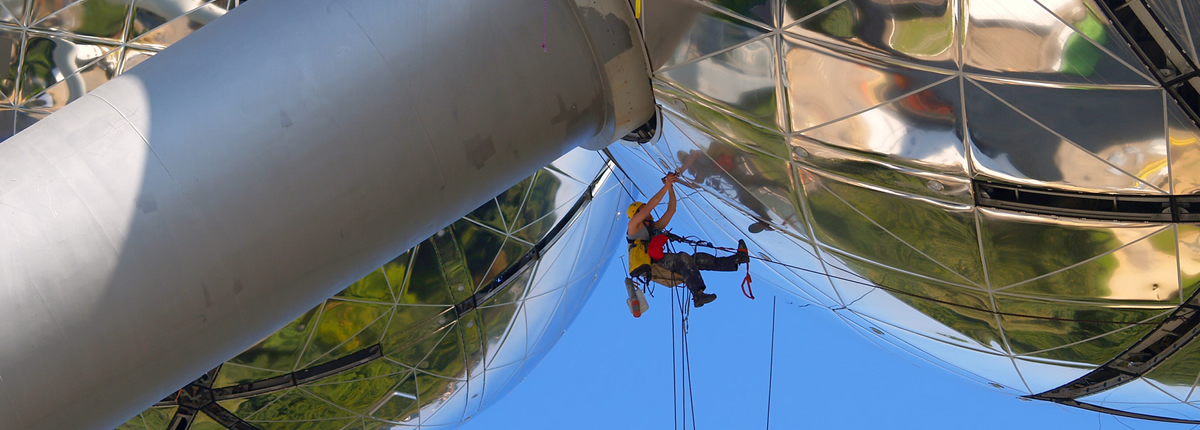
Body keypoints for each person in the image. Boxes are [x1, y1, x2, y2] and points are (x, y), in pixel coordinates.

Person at [627, 172, 748, 308]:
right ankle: (698, 295)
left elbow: (671, 210)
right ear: (637, 213)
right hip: (653, 264)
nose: (647, 210)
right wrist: (666, 185)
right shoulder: (633, 226)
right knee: (683, 258)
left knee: (697, 259)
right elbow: (651, 205)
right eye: (642, 209)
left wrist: (670, 188)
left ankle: (736, 260)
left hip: (658, 260)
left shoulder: (653, 227)